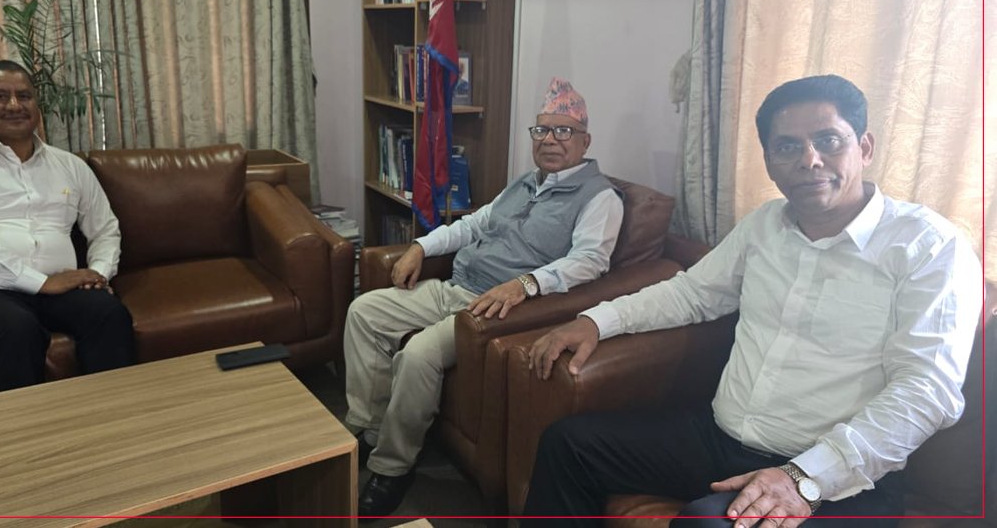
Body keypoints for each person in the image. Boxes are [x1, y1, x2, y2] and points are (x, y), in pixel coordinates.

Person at [523, 74, 981, 527]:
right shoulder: (765, 225)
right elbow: (692, 293)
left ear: (864, 148)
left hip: (838, 480)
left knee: (705, 524)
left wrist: (804, 477)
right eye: (787, 147)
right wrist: (596, 321)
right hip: (720, 439)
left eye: (828, 141)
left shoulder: (928, 246)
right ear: (769, 161)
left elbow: (925, 391)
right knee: (569, 445)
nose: (809, 160)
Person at [346, 77, 625, 516]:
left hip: (495, 309)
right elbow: (473, 225)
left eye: (563, 131)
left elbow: (591, 262)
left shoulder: (601, 198)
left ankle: (392, 468)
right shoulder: (524, 183)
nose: (550, 140)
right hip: (455, 286)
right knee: (364, 311)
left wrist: (525, 284)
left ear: (585, 141)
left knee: (418, 355)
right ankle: (372, 428)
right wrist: (420, 246)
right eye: (541, 130)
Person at [0, 60, 135, 393]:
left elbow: (105, 228)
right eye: (0, 96)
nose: (14, 105)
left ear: (37, 104)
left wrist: (98, 274)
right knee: (16, 328)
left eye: (24, 96)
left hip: (60, 289)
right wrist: (42, 283)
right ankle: (26, 426)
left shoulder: (70, 166)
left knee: (108, 313)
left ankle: (112, 414)